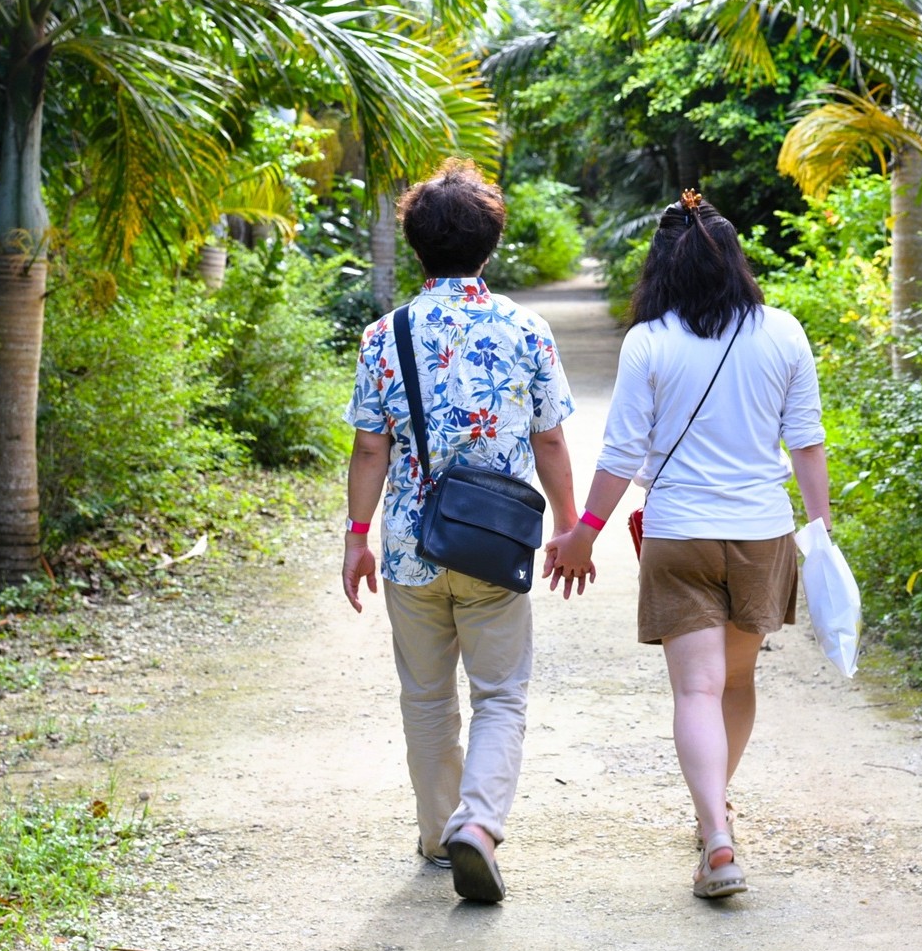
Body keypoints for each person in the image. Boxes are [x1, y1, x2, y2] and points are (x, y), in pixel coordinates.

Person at [547, 190, 829, 899]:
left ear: (660, 269)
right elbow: (805, 441)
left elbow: (621, 451)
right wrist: (820, 531)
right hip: (761, 531)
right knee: (735, 681)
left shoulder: (648, 340)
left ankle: (717, 835)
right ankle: (715, 818)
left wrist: (584, 533)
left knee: (696, 689)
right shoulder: (783, 331)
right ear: (736, 262)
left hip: (680, 533)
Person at [341, 159, 579, 904]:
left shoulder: (383, 335)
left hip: (411, 545)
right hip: (494, 545)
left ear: (417, 247)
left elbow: (370, 449)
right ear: (490, 244)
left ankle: (439, 834)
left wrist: (356, 538)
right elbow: (549, 439)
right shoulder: (525, 329)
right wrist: (569, 526)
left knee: (425, 697)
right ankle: (478, 822)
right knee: (500, 694)